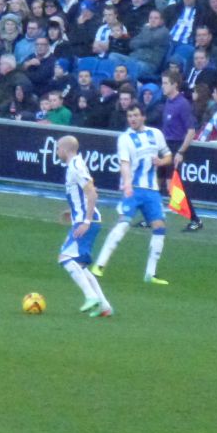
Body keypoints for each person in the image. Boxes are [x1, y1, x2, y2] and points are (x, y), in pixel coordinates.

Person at [91, 104, 172, 285]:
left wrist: (161, 161)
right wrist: (127, 183)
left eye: (136, 115)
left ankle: (150, 274)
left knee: (159, 227)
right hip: (133, 188)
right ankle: (99, 265)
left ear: (143, 117)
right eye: (130, 116)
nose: (132, 119)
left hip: (152, 191)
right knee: (123, 225)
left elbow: (168, 156)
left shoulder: (156, 134)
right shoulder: (125, 138)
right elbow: (125, 163)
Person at [55, 135, 112, 318]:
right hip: (84, 219)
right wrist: (71, 212)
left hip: (87, 222)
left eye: (57, 149)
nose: (57, 152)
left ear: (64, 150)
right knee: (80, 265)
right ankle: (104, 306)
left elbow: (92, 193)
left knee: (65, 258)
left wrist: (86, 221)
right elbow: (83, 195)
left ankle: (91, 297)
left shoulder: (76, 167)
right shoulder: (76, 165)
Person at [160, 68, 204, 231]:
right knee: (157, 183)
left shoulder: (182, 104)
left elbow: (191, 131)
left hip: (174, 147)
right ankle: (153, 217)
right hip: (165, 147)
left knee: (174, 186)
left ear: (174, 85)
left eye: (165, 83)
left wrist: (180, 152)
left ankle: (195, 218)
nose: (162, 86)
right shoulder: (168, 102)